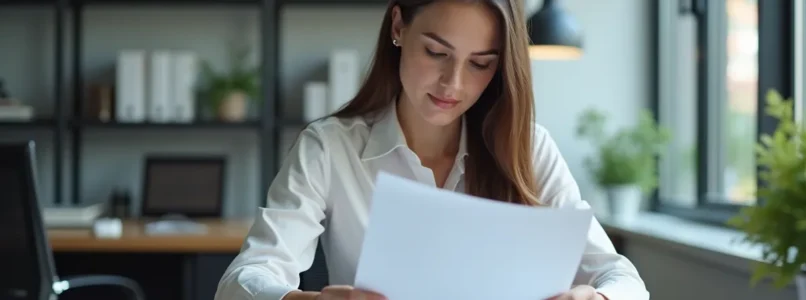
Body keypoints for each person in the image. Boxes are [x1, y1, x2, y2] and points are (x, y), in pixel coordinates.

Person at [214, 0, 649, 299]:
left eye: (480, 63)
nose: (453, 84)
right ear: (399, 27)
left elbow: (622, 277)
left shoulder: (528, 148)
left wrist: (598, 295)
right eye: (437, 52)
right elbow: (242, 281)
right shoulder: (330, 148)